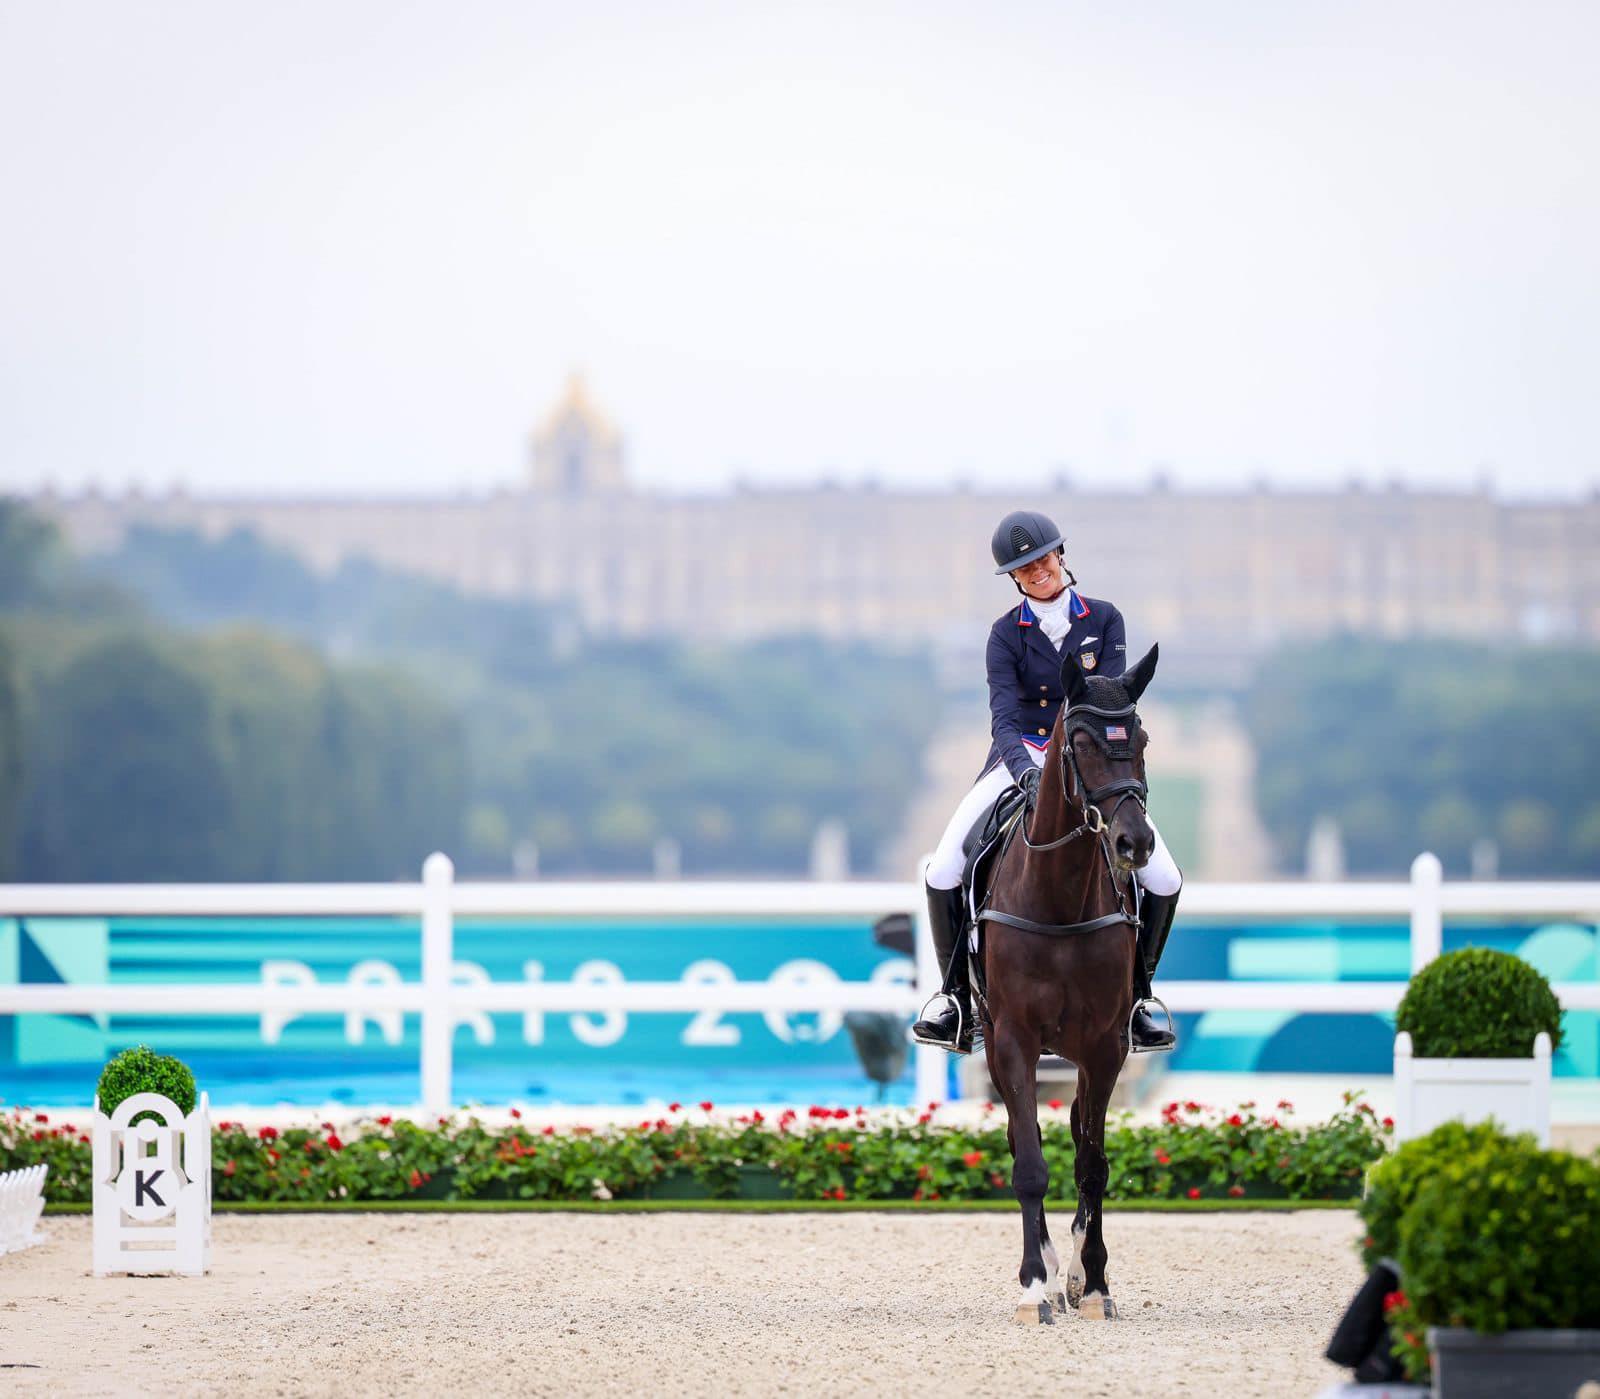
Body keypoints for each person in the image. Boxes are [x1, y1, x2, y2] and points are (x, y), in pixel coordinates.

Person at [910, 509, 1181, 1054]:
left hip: (1089, 757)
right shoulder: (1005, 634)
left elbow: (1109, 699)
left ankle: (1137, 999)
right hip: (1024, 755)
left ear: (1060, 555)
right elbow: (1004, 719)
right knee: (943, 870)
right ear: (1014, 576)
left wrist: (1078, 761)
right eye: (1025, 567)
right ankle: (954, 1000)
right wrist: (1027, 771)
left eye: (1042, 559)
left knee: (1165, 878)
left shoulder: (1104, 618)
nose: (1037, 572)